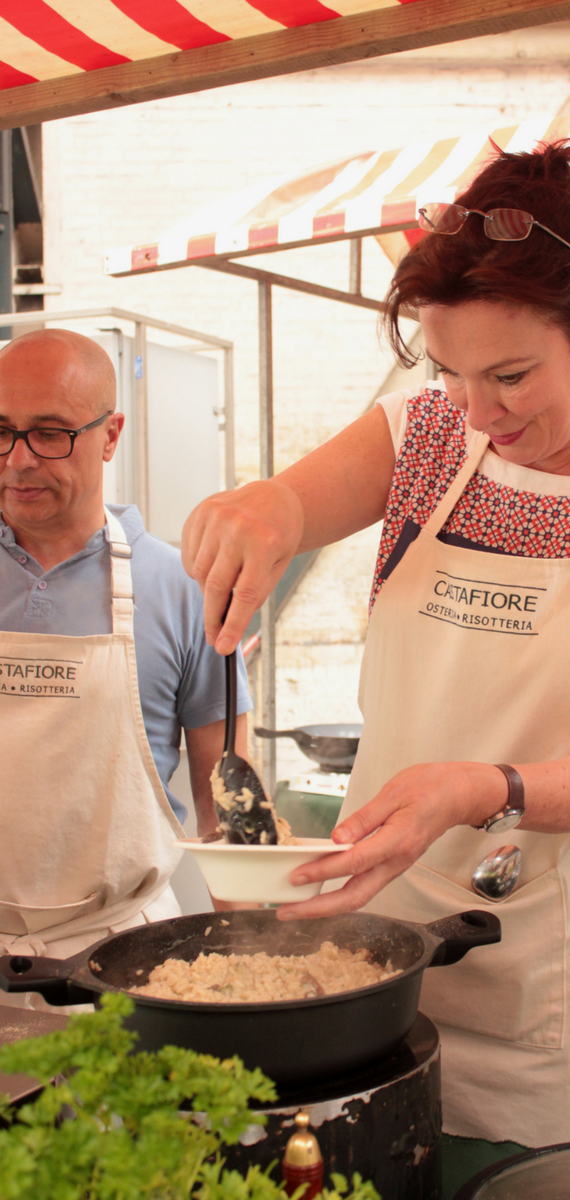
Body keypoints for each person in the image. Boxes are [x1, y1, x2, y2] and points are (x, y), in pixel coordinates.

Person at [182, 143, 570, 1146]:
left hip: (561, 982)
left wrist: (475, 788)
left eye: (510, 375)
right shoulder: (421, 435)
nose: (481, 416)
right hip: (372, 949)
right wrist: (263, 509)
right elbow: (289, 503)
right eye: (450, 373)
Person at [0, 329, 251, 990]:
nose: (17, 461)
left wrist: (250, 964)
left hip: (124, 961)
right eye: (1, 430)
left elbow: (225, 803)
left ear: (110, 435)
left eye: (49, 433)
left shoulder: (180, 588)